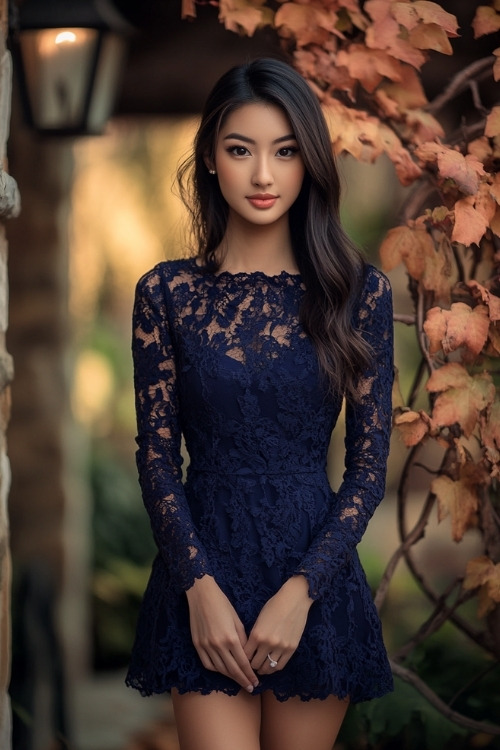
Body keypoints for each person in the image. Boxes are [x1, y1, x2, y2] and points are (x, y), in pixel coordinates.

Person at [126, 57, 394, 750]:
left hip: (313, 587)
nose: (264, 175)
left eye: (285, 151)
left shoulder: (358, 294)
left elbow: (367, 472)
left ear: (309, 162)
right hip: (202, 583)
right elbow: (156, 459)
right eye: (241, 150)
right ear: (212, 159)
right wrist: (199, 589)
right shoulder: (166, 295)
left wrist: (301, 593)